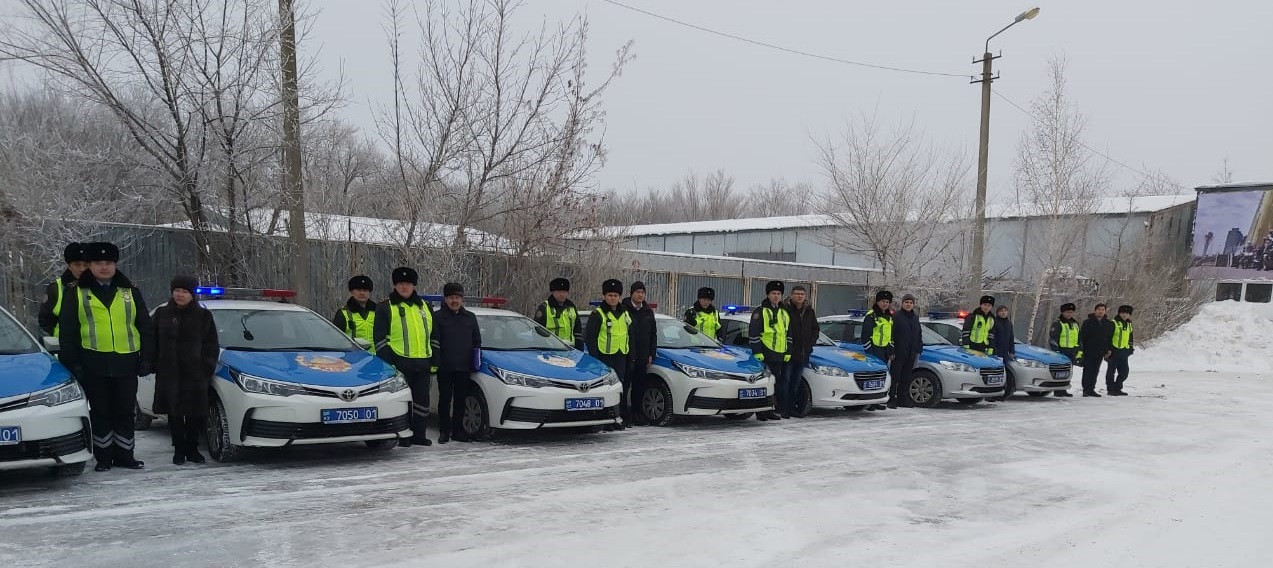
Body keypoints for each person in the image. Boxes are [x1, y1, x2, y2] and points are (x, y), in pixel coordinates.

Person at [57, 242, 154, 471]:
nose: (104, 267)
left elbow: (145, 327)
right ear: (89, 265)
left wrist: (147, 359)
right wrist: (74, 364)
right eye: (98, 263)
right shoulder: (77, 293)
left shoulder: (130, 291)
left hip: (126, 361)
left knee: (124, 411)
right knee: (100, 412)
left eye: (108, 263)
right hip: (93, 363)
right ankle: (103, 457)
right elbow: (68, 332)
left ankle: (125, 455)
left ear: (115, 265)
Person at [150, 275, 219, 465]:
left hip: (195, 374)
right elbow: (151, 341)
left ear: (192, 294)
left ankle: (193, 448)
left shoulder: (203, 316)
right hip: (169, 372)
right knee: (174, 413)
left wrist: (206, 367)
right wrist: (154, 363)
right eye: (177, 290)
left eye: (185, 291)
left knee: (195, 413)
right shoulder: (162, 314)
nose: (180, 295)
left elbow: (211, 345)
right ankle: (179, 450)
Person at [373, 267, 435, 446]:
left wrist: (435, 359)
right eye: (401, 284)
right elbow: (379, 339)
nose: (404, 287)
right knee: (402, 402)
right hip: (399, 363)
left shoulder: (425, 306)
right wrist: (390, 363)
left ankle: (419, 435)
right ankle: (403, 436)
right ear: (395, 285)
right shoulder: (385, 307)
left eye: (408, 284)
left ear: (414, 286)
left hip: (423, 362)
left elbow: (434, 335)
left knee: (422, 401)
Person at [432, 283, 481, 443]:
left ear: (462, 299)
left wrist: (475, 363)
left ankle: (458, 431)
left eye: (458, 297)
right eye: (452, 297)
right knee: (445, 400)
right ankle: (444, 431)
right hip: (444, 367)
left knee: (461, 400)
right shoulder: (437, 317)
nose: (455, 300)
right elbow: (434, 341)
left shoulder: (470, 318)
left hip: (463, 367)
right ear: (446, 299)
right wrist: (436, 362)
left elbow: (476, 342)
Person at [585, 279, 631, 430]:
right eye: (610, 295)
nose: (613, 298)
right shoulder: (598, 314)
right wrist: (595, 359)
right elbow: (590, 338)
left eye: (616, 295)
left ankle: (617, 418)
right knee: (604, 389)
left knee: (619, 388)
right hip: (604, 357)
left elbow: (629, 334)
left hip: (620, 355)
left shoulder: (624, 312)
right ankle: (603, 420)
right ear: (604, 296)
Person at [749, 280, 790, 421]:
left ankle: (770, 409)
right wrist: (757, 351)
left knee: (775, 383)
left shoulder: (784, 312)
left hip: (779, 353)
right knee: (765, 383)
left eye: (779, 293)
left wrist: (788, 351)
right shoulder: (760, 311)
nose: (776, 296)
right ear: (768, 294)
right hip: (766, 352)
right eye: (773, 293)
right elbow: (754, 333)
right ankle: (761, 412)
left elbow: (787, 333)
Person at [622, 282, 657, 426]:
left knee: (638, 388)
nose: (640, 295)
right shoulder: (623, 309)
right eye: (637, 292)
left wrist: (651, 354)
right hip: (627, 356)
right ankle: (623, 415)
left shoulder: (648, 311)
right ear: (631, 293)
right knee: (624, 388)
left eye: (642, 292)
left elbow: (653, 334)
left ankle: (637, 414)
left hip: (643, 356)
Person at [782, 285, 818, 418]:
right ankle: (783, 409)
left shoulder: (809, 311)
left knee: (795, 383)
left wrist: (810, 343)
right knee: (785, 382)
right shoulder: (784, 310)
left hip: (803, 353)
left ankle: (791, 408)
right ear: (791, 295)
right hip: (787, 353)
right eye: (797, 294)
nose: (799, 296)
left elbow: (815, 329)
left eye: (802, 294)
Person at [38, 242, 88, 336]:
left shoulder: (101, 287)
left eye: (86, 265)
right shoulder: (56, 289)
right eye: (77, 264)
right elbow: (45, 321)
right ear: (69, 266)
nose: (82, 269)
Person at [860, 290, 894, 411]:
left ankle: (879, 399)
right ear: (877, 302)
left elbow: (890, 335)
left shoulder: (889, 316)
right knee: (872, 377)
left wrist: (891, 350)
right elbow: (865, 335)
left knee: (882, 377)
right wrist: (870, 351)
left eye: (887, 302)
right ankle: (870, 402)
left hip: (885, 350)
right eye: (882, 301)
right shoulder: (872, 315)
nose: (885, 304)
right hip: (874, 350)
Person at [890, 294, 923, 408]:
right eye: (906, 302)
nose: (908, 304)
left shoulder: (915, 317)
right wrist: (892, 350)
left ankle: (902, 399)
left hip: (911, 353)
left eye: (910, 303)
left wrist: (919, 348)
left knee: (906, 377)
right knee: (895, 377)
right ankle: (891, 399)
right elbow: (892, 334)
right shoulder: (896, 316)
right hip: (899, 353)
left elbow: (918, 334)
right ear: (902, 303)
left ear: (913, 304)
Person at [534, 277, 583, 349]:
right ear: (553, 292)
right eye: (559, 292)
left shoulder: (571, 307)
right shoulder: (544, 307)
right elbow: (538, 330)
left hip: (570, 349)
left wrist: (579, 348)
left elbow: (577, 329)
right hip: (551, 349)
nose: (562, 294)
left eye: (564, 292)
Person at [1078, 303, 1114, 397]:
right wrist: (1082, 349)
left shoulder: (1108, 323)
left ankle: (1091, 389)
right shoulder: (1088, 322)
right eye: (1099, 309)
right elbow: (1083, 337)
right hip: (1089, 351)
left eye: (1102, 310)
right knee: (1088, 370)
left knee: (1095, 370)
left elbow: (1109, 338)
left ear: (1105, 311)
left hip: (1100, 351)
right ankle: (1086, 389)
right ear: (1095, 311)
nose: (1100, 311)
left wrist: (1108, 349)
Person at [1047, 303, 1080, 397]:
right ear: (1063, 312)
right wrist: (1056, 351)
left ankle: (1064, 389)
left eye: (1071, 312)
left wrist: (1078, 349)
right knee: (1060, 371)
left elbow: (1078, 337)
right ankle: (1058, 390)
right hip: (1062, 351)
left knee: (1068, 371)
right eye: (1067, 312)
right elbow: (1053, 338)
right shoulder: (1058, 323)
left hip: (1072, 351)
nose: (1070, 314)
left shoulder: (1075, 324)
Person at [333, 275, 376, 346]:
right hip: (352, 355)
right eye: (358, 290)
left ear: (369, 292)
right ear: (352, 292)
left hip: (375, 356)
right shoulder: (343, 313)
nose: (362, 293)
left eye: (365, 290)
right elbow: (336, 339)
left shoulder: (378, 312)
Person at [1105, 305, 1135, 396]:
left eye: (1127, 313)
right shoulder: (1113, 323)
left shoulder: (1129, 324)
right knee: (1111, 372)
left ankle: (1117, 388)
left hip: (1124, 351)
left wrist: (1130, 348)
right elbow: (1107, 337)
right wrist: (1108, 349)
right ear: (1119, 313)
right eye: (1123, 313)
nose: (1124, 315)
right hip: (1114, 351)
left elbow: (1130, 337)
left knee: (1124, 372)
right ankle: (1110, 389)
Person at [990, 305, 1016, 401]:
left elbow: (1011, 338)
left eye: (1005, 311)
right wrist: (994, 351)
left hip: (1005, 353)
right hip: (996, 352)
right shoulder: (995, 322)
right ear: (997, 313)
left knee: (1007, 374)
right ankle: (993, 394)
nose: (1003, 312)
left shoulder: (1009, 323)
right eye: (1001, 311)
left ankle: (1007, 392)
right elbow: (992, 338)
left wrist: (1012, 351)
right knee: (996, 374)